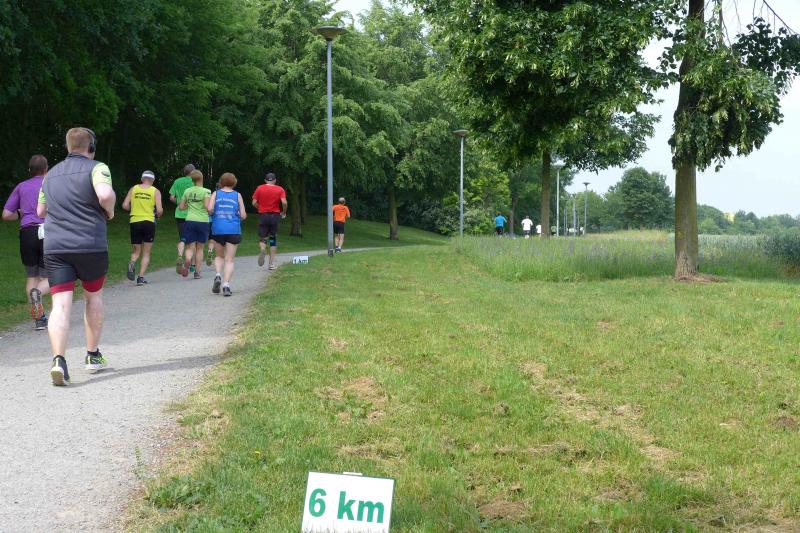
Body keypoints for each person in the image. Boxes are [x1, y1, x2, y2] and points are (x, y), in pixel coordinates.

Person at [37, 127, 115, 385]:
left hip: (56, 247)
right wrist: (110, 211)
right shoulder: (97, 168)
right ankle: (92, 356)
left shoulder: (50, 175)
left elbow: (40, 211)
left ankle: (58, 360)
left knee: (60, 305)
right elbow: (105, 194)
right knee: (93, 297)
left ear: (68, 147)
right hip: (90, 244)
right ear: (90, 148)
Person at [2, 154, 50, 331]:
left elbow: (6, 215)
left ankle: (39, 319)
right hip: (47, 232)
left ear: (30, 170)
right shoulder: (51, 184)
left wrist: (20, 214)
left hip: (27, 233)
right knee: (50, 276)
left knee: (32, 276)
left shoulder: (21, 186)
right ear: (46, 169)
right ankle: (39, 293)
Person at [208, 172, 247, 296]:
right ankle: (226, 285)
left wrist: (214, 213)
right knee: (229, 260)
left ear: (221, 182)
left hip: (218, 229)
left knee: (219, 256)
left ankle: (218, 275)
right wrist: (238, 216)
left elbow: (210, 209)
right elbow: (243, 215)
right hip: (233, 230)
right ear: (234, 182)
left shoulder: (215, 193)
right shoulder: (237, 195)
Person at [122, 170, 164, 285]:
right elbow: (159, 210)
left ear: (142, 179)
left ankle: (132, 262)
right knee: (146, 252)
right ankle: (140, 278)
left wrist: (133, 209)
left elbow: (125, 205)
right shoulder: (155, 191)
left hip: (135, 221)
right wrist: (158, 215)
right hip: (149, 222)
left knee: (136, 251)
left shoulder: (134, 189)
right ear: (153, 180)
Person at [178, 169, 211, 279]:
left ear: (192, 180)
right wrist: (211, 210)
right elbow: (207, 206)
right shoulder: (206, 191)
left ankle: (188, 259)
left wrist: (189, 206)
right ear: (201, 178)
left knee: (191, 246)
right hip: (202, 221)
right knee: (200, 248)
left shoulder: (187, 191)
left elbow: (181, 207)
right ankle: (197, 272)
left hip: (190, 220)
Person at [252, 172, 287, 270]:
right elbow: (284, 202)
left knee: (263, 237)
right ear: (275, 180)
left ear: (265, 180)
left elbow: (254, 202)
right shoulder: (280, 189)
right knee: (273, 239)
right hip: (274, 216)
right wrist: (284, 212)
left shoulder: (259, 188)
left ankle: (263, 249)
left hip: (263, 215)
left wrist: (260, 208)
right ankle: (271, 264)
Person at [169, 164, 195, 274]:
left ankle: (180, 256)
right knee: (192, 241)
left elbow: (171, 197)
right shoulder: (195, 181)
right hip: (193, 214)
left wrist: (179, 203)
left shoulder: (177, 181)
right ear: (193, 172)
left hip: (180, 214)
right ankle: (192, 265)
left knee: (183, 239)